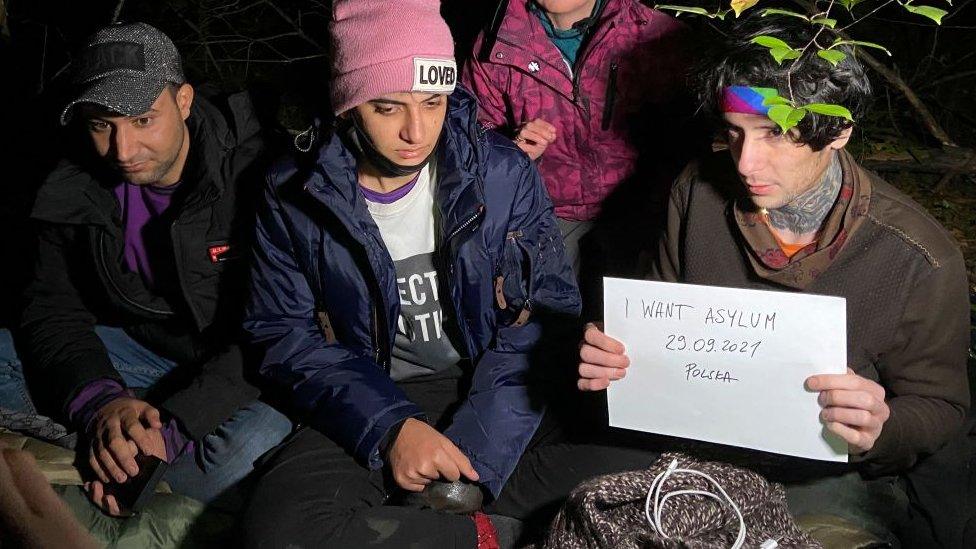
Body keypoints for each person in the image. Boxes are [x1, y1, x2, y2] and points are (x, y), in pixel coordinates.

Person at [239, 2, 660, 547]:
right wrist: (391, 429)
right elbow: (282, 335)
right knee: (276, 531)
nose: (417, 131)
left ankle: (453, 518)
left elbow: (545, 318)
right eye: (389, 108)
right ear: (348, 107)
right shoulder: (291, 192)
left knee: (656, 465)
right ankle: (488, 529)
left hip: (498, 382)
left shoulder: (502, 171)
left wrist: (475, 460)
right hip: (371, 388)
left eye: (434, 102)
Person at [576, 16, 971, 544]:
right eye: (734, 132)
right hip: (694, 442)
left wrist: (882, 426)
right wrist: (618, 350)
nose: (745, 161)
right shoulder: (695, 194)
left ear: (839, 130)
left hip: (825, 470)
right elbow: (663, 312)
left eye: (775, 134)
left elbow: (941, 405)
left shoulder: (917, 256)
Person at [0, 22, 292, 513]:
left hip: (251, 363)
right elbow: (52, 309)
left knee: (243, 449)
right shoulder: (73, 183)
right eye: (101, 125)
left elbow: (283, 326)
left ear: (182, 100)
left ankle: (130, 456)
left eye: (142, 120)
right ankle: (121, 436)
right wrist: (100, 402)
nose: (122, 151)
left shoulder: (257, 170)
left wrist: (179, 425)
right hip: (148, 351)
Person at [462, 0, 692, 297]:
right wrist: (509, 150)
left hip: (643, 214)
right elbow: (472, 137)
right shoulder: (496, 43)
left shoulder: (658, 36)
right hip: (546, 215)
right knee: (548, 325)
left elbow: (694, 142)